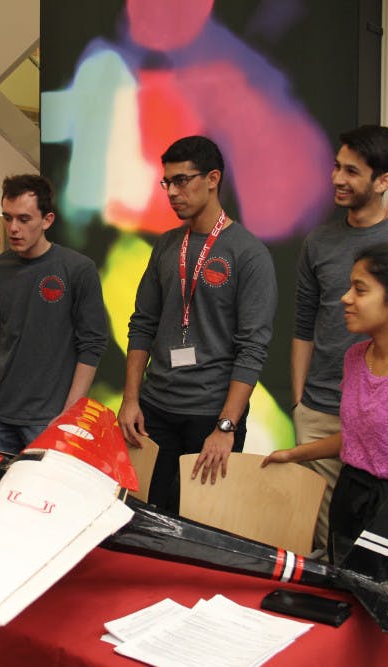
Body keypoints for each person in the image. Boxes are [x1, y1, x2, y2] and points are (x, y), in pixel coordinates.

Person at [292, 125, 388, 553]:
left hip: (386, 412)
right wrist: (300, 400)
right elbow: (304, 324)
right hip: (322, 406)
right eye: (336, 167)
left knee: (378, 540)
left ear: (383, 181)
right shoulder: (318, 241)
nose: (338, 179)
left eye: (352, 172)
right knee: (327, 538)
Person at [269, 242, 388, 562]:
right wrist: (294, 454)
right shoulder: (356, 357)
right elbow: (359, 435)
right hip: (350, 498)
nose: (345, 298)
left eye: (360, 290)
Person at [118, 135, 277, 513]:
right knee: (144, 515)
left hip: (210, 413)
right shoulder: (167, 245)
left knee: (198, 522)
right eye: (166, 183)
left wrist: (226, 427)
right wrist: (130, 399)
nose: (172, 192)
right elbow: (142, 323)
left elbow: (252, 347)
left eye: (182, 180)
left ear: (212, 179)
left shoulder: (249, 253)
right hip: (155, 408)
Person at [0, 174, 108, 454]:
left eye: (24, 219)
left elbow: (92, 344)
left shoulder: (78, 269)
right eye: (7, 217)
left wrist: (70, 413)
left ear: (47, 220)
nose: (13, 228)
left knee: (48, 497)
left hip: (49, 417)